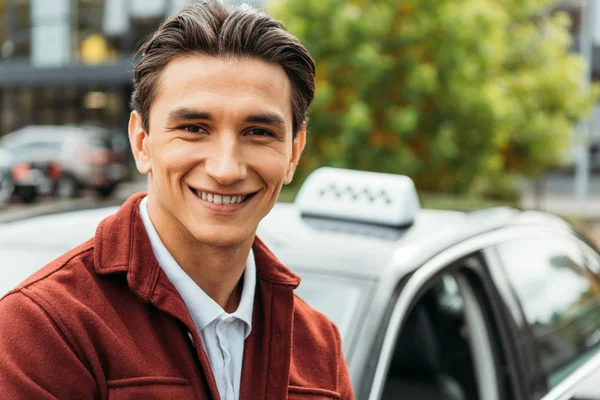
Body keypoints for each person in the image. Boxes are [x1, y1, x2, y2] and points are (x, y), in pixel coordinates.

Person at [0, 2, 354, 399]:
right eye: (193, 128)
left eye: (258, 132)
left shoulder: (319, 347)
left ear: (293, 152)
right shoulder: (44, 328)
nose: (225, 169)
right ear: (141, 142)